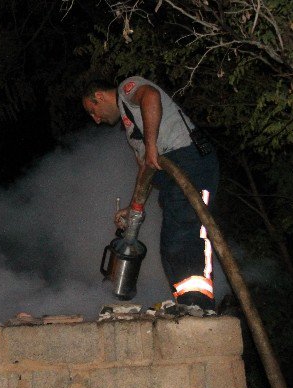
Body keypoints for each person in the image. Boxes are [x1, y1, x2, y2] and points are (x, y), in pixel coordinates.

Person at [82, 76, 219, 311]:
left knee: (185, 236)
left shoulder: (128, 89)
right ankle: (188, 304)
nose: (96, 120)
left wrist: (152, 145)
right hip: (174, 180)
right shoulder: (131, 128)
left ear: (100, 96)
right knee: (171, 243)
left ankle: (199, 305)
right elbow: (145, 170)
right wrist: (133, 207)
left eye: (93, 110)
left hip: (190, 164)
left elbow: (151, 96)